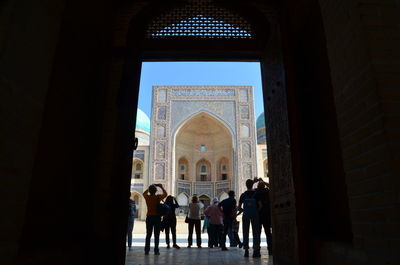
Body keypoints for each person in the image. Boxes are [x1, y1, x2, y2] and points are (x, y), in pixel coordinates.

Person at [239, 179, 261, 258]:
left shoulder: (243, 195)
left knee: (245, 232)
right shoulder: (256, 194)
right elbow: (260, 205)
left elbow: (239, 207)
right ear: (252, 185)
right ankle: (256, 250)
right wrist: (256, 211)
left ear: (246, 185)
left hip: (246, 215)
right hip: (255, 214)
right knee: (256, 232)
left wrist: (244, 210)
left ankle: (246, 250)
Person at [143, 184, 167, 255]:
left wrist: (149, 187)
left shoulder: (147, 197)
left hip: (149, 217)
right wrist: (161, 187)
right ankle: (156, 251)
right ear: (156, 191)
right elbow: (165, 194)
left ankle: (147, 250)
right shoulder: (158, 197)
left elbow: (144, 193)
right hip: (157, 217)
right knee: (157, 235)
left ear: (149, 191)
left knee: (148, 234)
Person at [255, 180, 272, 255]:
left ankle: (257, 250)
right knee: (268, 233)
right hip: (267, 215)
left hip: (258, 215)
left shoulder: (256, 192)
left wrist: (254, 181)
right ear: (264, 186)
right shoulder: (267, 191)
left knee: (257, 233)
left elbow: (248, 187)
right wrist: (264, 182)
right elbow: (272, 186)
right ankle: (270, 250)